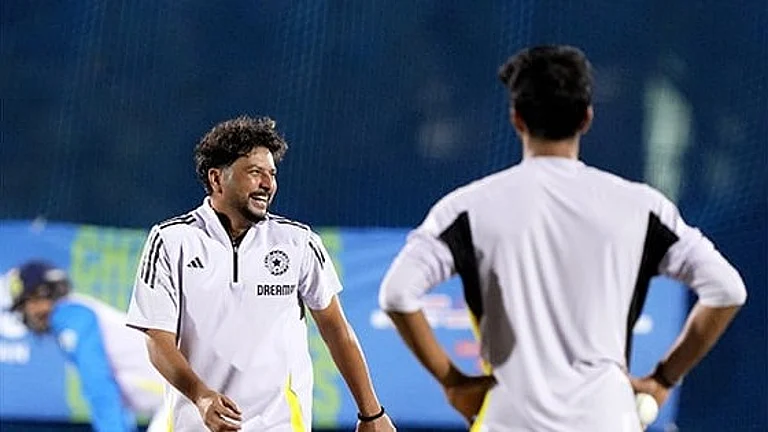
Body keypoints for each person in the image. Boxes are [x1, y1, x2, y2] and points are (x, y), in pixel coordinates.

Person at [378, 45, 746, 432]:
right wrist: (663, 379)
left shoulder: (466, 209)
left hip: (508, 420)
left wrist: (452, 382)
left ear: (517, 119)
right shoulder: (641, 207)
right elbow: (727, 290)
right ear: (586, 118)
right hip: (608, 419)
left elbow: (397, 294)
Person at [126, 116, 395, 432]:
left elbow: (336, 329)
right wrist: (201, 397)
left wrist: (371, 414)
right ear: (217, 179)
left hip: (280, 424)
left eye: (272, 174)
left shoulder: (299, 242)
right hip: (198, 424)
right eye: (255, 173)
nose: (268, 184)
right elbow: (158, 342)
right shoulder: (171, 240)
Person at [6, 260, 167, 432]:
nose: (25, 314)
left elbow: (99, 386)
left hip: (178, 395)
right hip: (173, 397)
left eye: (25, 304)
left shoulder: (71, 316)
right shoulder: (75, 312)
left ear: (42, 294)